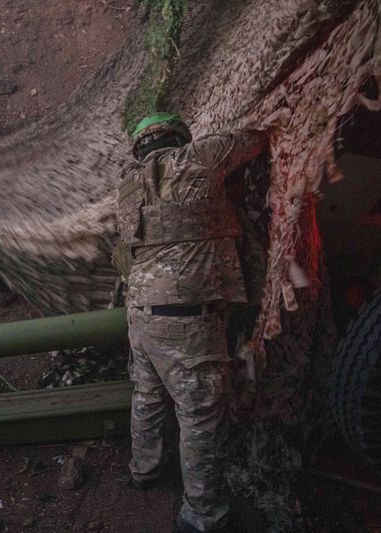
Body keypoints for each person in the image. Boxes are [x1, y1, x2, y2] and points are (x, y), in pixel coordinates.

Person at [115, 113, 267, 532]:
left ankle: (143, 470)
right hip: (187, 323)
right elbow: (255, 136)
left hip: (141, 316)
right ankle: (203, 516)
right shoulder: (196, 158)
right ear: (179, 138)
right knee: (200, 416)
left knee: (147, 396)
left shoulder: (127, 189)